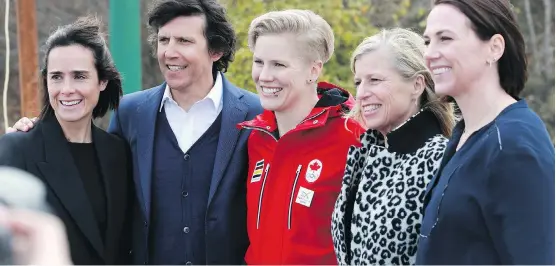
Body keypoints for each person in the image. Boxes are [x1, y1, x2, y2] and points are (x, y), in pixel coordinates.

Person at [7, 0, 263, 264]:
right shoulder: (131, 112)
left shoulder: (257, 114)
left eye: (184, 41)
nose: (169, 52)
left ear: (216, 50)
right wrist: (35, 133)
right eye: (164, 40)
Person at [417, 0, 555, 264]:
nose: (430, 53)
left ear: (494, 48)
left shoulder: (514, 144)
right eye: (428, 41)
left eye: (445, 38)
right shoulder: (465, 135)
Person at [0, 17, 133, 265]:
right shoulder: (16, 149)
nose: (66, 89)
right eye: (56, 77)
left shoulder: (118, 152)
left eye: (79, 76)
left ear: (102, 81)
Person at [237, 10, 363, 265]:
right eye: (259, 62)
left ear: (313, 70)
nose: (264, 76)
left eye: (279, 64)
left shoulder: (355, 136)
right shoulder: (256, 138)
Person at [330, 28, 455, 265]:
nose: (362, 93)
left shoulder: (440, 161)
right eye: (358, 82)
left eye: (375, 80)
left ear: (417, 85)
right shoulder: (363, 156)